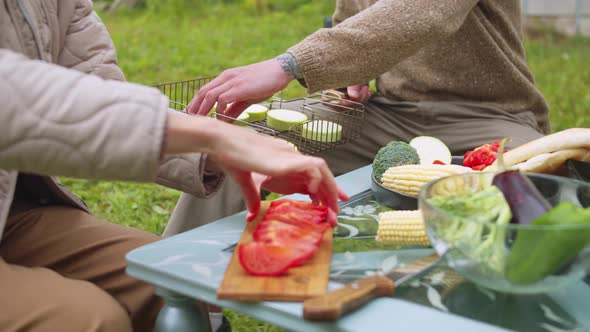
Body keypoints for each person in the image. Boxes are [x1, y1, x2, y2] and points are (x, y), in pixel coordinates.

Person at [0, 1, 346, 331]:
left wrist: (219, 156)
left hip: (15, 211)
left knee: (169, 284)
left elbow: (103, 97)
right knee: (89, 321)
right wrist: (214, 136)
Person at [163, 0, 548, 235]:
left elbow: (424, 12)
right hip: (389, 112)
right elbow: (350, 20)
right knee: (242, 140)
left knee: (537, 187)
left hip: (491, 114)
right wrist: (353, 75)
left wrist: (289, 65)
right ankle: (174, 299)